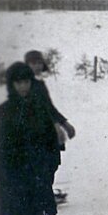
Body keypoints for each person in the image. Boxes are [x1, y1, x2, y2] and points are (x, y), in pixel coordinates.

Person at [0, 62, 59, 215]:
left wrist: (53, 159)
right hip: (12, 167)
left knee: (34, 203)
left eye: (26, 82)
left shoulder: (38, 106)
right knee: (16, 205)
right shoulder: (4, 110)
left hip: (35, 165)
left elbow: (49, 136)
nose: (23, 87)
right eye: (18, 83)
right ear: (11, 84)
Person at [24, 50, 75, 205]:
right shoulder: (22, 85)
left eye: (39, 62)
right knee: (39, 165)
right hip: (35, 134)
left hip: (48, 133)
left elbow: (49, 107)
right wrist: (55, 125)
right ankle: (38, 195)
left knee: (52, 163)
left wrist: (64, 123)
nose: (37, 66)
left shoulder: (39, 84)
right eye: (33, 63)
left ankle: (44, 192)